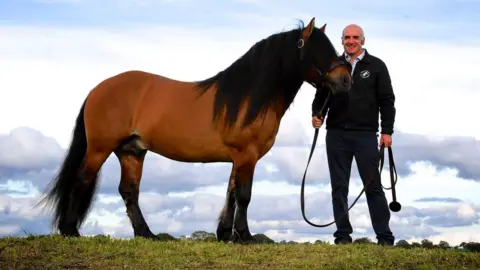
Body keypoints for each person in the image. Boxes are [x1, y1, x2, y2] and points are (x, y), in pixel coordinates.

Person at [311, 24, 396, 246]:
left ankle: (384, 236)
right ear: (342, 41)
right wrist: (317, 115)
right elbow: (321, 96)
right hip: (336, 134)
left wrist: (387, 131)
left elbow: (387, 101)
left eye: (355, 37)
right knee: (339, 187)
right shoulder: (333, 65)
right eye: (347, 37)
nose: (351, 41)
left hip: (366, 135)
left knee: (373, 186)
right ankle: (342, 235)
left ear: (362, 40)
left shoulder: (377, 66)